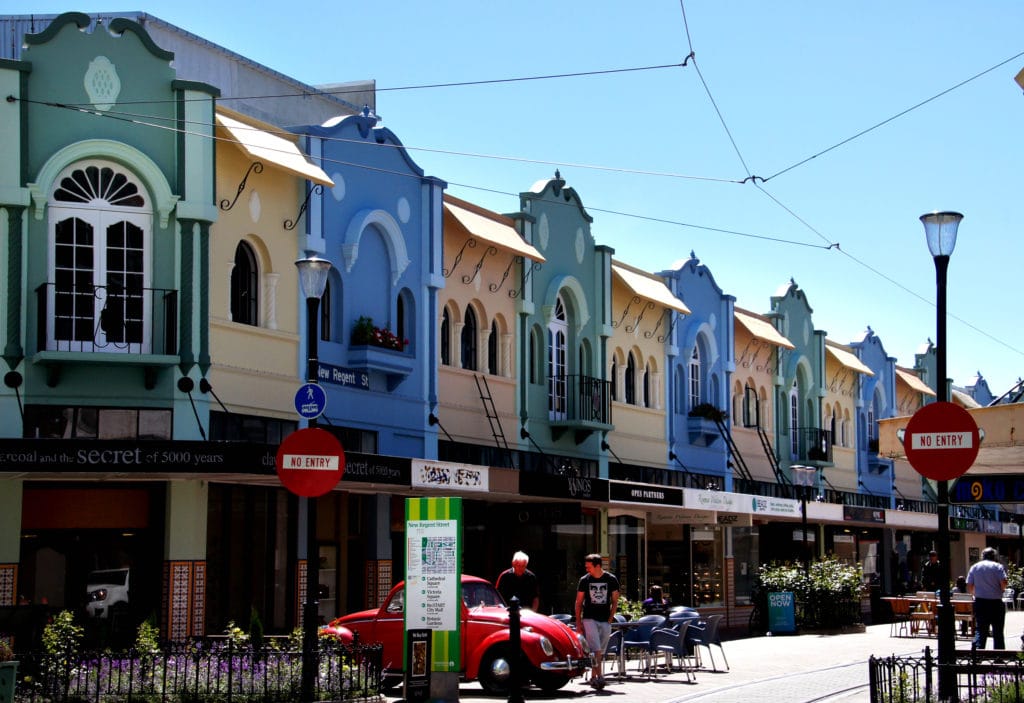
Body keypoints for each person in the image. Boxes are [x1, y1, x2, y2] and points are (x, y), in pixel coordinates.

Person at [575, 553, 620, 689]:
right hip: (589, 618)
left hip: (605, 619)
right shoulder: (585, 580)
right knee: (596, 649)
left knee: (600, 651)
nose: (587, 569)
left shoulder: (611, 579)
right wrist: (578, 622)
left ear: (598, 566)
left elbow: (615, 600)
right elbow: (578, 602)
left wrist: (610, 619)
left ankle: (593, 677)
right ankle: (600, 676)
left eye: (589, 567)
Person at [967, 547, 1008, 649]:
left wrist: (974, 594)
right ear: (994, 556)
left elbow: (969, 585)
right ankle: (999, 656)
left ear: (982, 556)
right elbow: (1004, 582)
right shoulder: (998, 567)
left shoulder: (975, 567)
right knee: (998, 630)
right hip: (995, 602)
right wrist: (1001, 590)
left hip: (980, 602)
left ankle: (977, 654)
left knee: (981, 629)